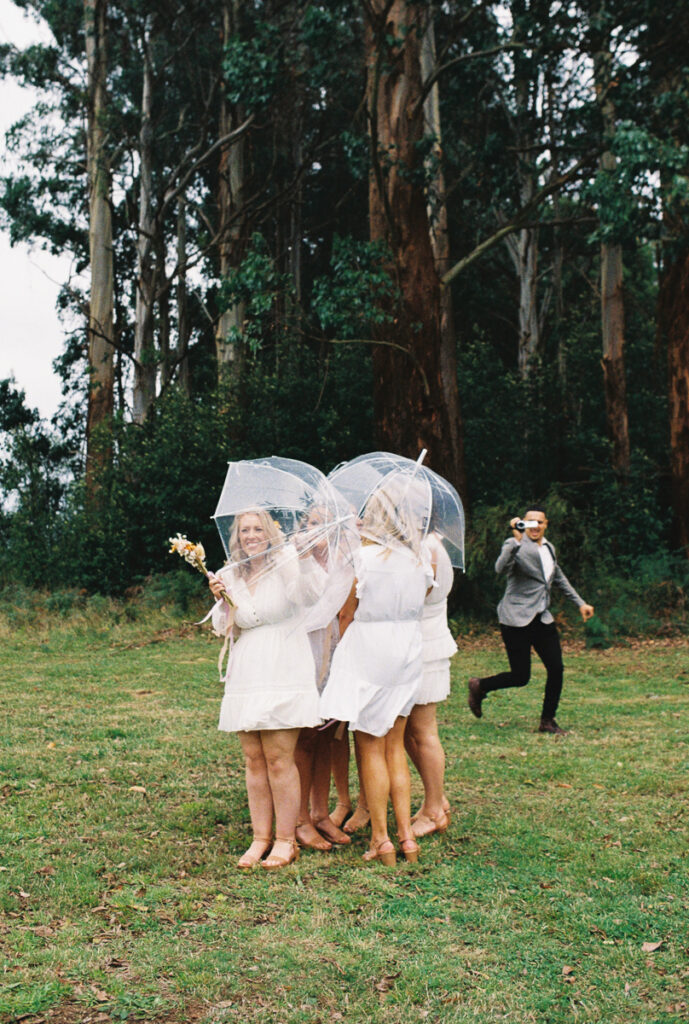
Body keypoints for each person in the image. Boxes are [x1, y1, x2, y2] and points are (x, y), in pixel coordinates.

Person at [318, 487, 433, 866]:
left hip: (369, 650)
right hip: (407, 651)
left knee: (369, 747)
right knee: (395, 747)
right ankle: (407, 838)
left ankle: (381, 839)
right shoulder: (420, 559)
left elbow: (346, 615)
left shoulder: (362, 559)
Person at [208, 509, 326, 870]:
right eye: (245, 529)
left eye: (258, 528)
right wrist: (220, 599)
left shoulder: (288, 560)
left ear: (271, 532)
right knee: (254, 759)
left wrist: (304, 562)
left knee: (279, 758)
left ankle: (285, 840)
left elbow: (311, 595)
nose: (251, 535)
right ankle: (260, 837)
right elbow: (226, 627)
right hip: (247, 670)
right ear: (237, 535)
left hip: (283, 666)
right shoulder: (230, 573)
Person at [467, 506, 594, 734]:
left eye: (540, 522)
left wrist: (580, 603)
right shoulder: (513, 544)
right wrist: (516, 541)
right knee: (520, 676)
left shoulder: (548, 547)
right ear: (522, 523)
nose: (535, 526)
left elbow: (558, 577)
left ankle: (547, 721)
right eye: (530, 521)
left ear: (546, 525)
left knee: (556, 668)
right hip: (515, 618)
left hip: (542, 617)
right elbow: (499, 569)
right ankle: (480, 685)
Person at [405, 531, 456, 837]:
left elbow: (411, 598)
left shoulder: (426, 548)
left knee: (424, 731)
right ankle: (435, 798)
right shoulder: (425, 544)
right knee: (408, 733)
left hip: (425, 646)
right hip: (420, 645)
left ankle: (435, 809)